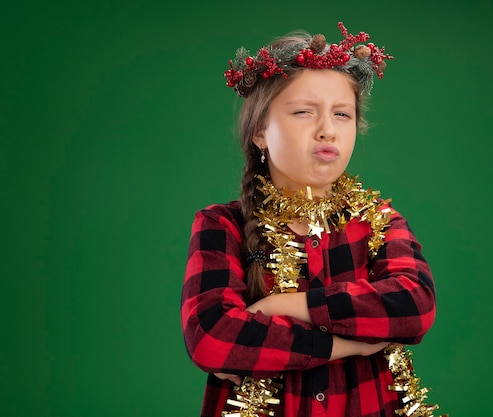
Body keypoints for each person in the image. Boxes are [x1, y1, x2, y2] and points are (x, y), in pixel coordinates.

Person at [181, 22, 438, 417]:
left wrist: (284, 305)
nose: (326, 131)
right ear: (260, 132)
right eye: (303, 112)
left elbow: (414, 306)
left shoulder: (379, 222)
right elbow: (212, 338)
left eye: (342, 114)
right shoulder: (223, 226)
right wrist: (348, 343)